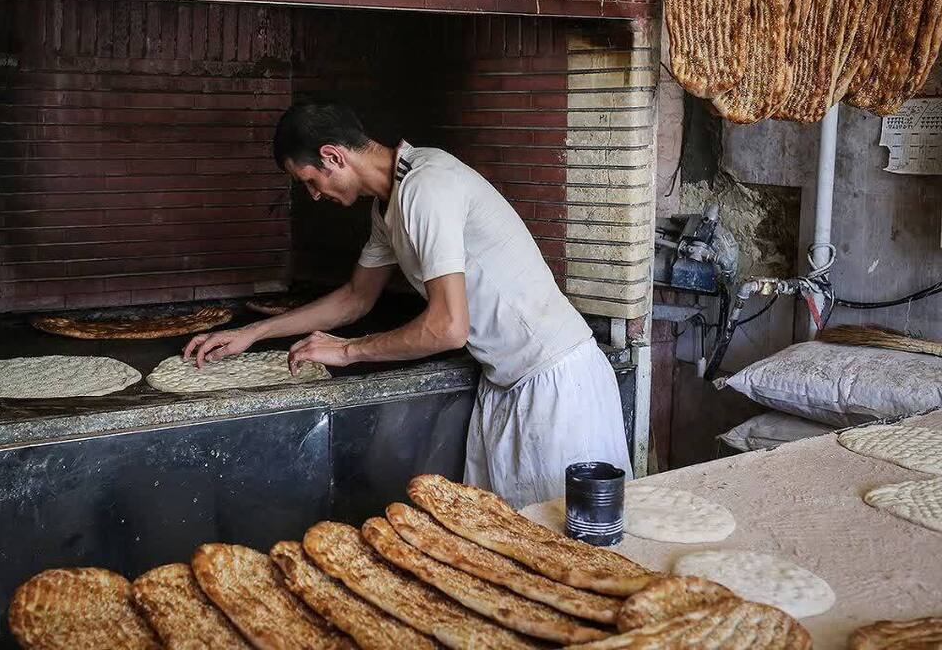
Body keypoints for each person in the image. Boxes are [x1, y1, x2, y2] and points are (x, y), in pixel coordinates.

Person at [183, 102, 632, 507]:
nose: (314, 195)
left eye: (310, 181)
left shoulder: (427, 187)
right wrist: (253, 333)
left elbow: (447, 327)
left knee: (570, 554)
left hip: (555, 386)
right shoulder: (389, 205)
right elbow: (356, 298)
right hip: (507, 386)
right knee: (507, 555)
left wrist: (346, 351)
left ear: (333, 157)